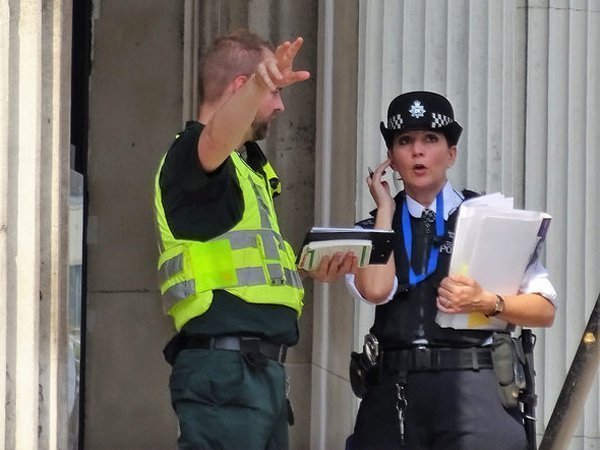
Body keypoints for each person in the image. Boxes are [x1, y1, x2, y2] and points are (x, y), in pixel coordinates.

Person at [154, 30, 354, 450]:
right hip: (224, 374)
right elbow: (214, 138)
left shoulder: (248, 170)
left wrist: (307, 269)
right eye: (274, 92)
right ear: (241, 86)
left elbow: (240, 265)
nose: (280, 105)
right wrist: (262, 83)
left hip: (256, 374)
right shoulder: (192, 152)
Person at [344, 91, 556, 450]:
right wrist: (385, 212)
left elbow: (544, 309)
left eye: (430, 139)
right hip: (395, 388)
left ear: (451, 153)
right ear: (391, 159)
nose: (418, 151)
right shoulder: (370, 230)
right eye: (405, 141)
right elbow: (376, 290)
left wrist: (488, 301)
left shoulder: (490, 218)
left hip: (473, 384)